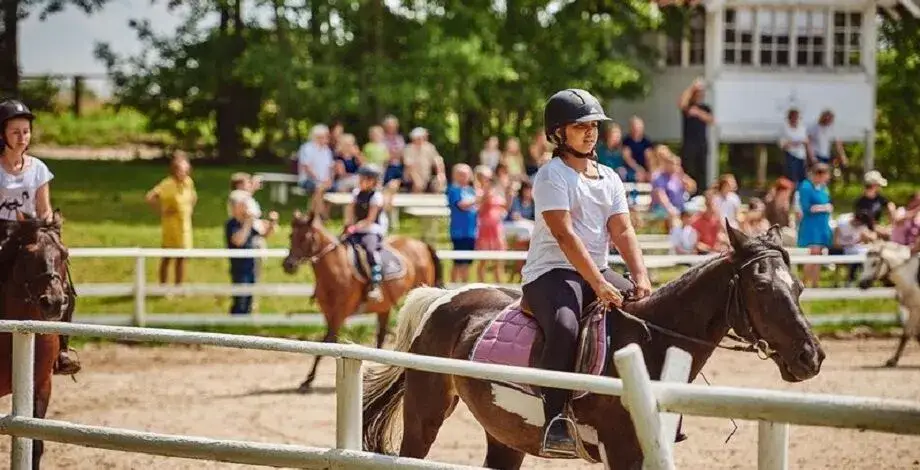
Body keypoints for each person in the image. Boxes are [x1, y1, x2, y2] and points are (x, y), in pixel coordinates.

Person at [520, 89, 651, 456]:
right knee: (564, 325)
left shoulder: (608, 177)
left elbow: (622, 230)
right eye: (581, 126)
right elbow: (564, 234)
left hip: (598, 269)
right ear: (559, 133)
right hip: (551, 273)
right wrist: (598, 283)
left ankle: (647, 403)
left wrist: (640, 276)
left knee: (647, 315)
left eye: (594, 125)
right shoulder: (551, 176)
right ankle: (555, 419)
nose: (591, 132)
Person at [0, 99, 79, 375]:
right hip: (2, 233)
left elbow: (44, 207)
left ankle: (63, 349)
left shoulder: (38, 169)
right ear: (3, 135)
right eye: (15, 132)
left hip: (31, 232)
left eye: (26, 131)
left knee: (64, 284)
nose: (22, 137)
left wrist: (50, 231)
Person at [146, 152, 197, 287]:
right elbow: (150, 197)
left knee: (182, 257)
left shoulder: (188, 183)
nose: (183, 173)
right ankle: (163, 286)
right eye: (180, 170)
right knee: (167, 256)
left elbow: (193, 197)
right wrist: (161, 211)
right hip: (171, 226)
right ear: (174, 170)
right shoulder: (167, 184)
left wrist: (189, 208)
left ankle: (178, 287)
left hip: (184, 226)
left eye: (185, 170)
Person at [343, 165, 387, 301]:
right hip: (356, 228)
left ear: (372, 181)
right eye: (360, 178)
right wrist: (347, 225)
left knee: (370, 250)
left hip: (372, 230)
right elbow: (350, 211)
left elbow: (370, 219)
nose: (360, 181)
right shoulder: (356, 193)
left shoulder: (376, 197)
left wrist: (354, 228)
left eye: (364, 178)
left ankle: (376, 284)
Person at [797, 164, 834, 288]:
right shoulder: (806, 187)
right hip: (812, 226)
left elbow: (827, 201)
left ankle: (815, 284)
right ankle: (802, 284)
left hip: (822, 225)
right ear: (819, 174)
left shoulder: (824, 188)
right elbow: (806, 207)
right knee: (813, 254)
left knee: (819, 254)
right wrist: (824, 208)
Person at [474, 165, 507, 283]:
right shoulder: (477, 192)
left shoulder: (496, 191)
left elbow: (505, 206)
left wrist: (509, 192)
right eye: (485, 177)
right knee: (483, 261)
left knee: (498, 261)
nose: (488, 180)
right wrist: (486, 193)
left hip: (496, 229)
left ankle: (500, 287)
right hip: (485, 229)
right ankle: (481, 287)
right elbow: (479, 208)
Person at [678, 78, 714, 187]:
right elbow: (681, 103)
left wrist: (697, 113)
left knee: (701, 170)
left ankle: (701, 192)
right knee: (688, 169)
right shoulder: (687, 106)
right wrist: (692, 87)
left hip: (701, 144)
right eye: (697, 92)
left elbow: (711, 120)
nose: (699, 95)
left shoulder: (705, 108)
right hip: (689, 143)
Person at [446, 164, 478, 283]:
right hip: (458, 232)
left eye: (465, 174)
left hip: (471, 231)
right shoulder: (453, 190)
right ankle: (452, 286)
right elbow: (461, 205)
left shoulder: (471, 190)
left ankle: (464, 285)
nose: (463, 177)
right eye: (460, 174)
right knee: (458, 261)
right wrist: (479, 198)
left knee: (468, 262)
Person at [297, 124, 335, 216]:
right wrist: (320, 180)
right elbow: (307, 168)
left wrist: (330, 179)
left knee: (322, 189)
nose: (325, 139)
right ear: (315, 137)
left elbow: (331, 168)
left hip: (324, 181)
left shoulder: (327, 151)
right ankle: (321, 215)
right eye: (322, 137)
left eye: (326, 136)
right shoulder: (307, 148)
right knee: (318, 188)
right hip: (307, 180)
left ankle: (310, 215)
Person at [780, 108, 810, 183]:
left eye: (797, 117)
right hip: (791, 155)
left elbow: (806, 142)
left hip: (802, 156)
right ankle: (792, 193)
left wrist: (808, 157)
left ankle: (801, 193)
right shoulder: (784, 129)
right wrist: (795, 143)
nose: (796, 119)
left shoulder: (802, 129)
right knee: (791, 178)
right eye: (794, 117)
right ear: (790, 118)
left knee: (803, 178)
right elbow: (782, 145)